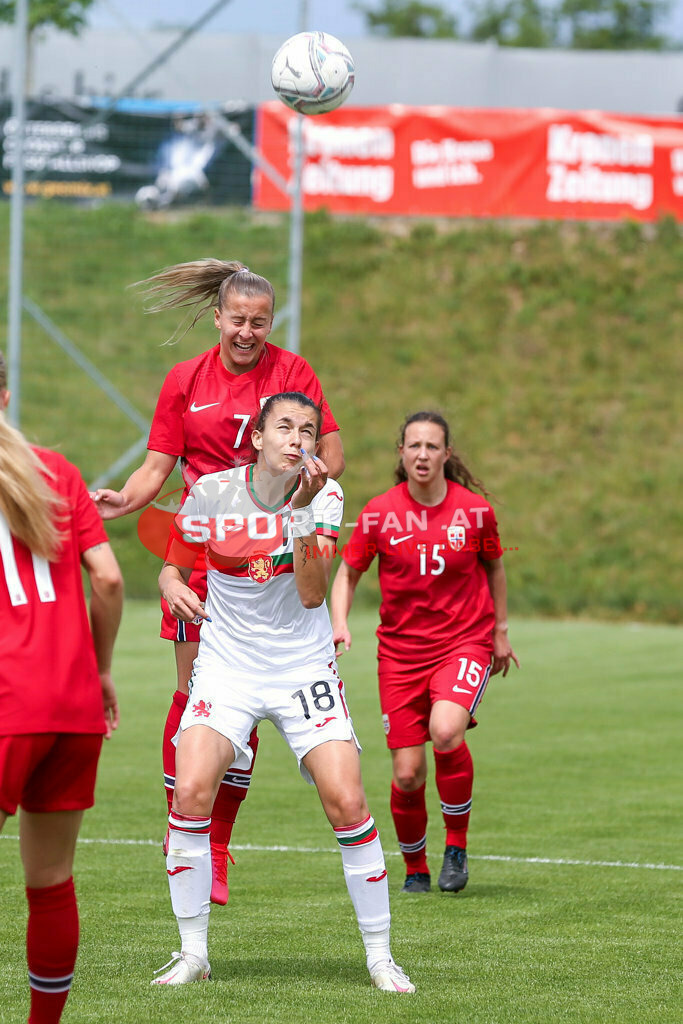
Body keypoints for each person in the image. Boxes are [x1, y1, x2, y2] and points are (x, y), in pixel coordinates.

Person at [92, 259, 344, 905]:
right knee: (195, 698)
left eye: (259, 322)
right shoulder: (186, 380)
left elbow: (332, 453)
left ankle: (218, 845)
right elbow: (157, 467)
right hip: (203, 548)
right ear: (217, 318)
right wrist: (123, 500)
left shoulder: (293, 374)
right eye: (237, 320)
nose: (247, 332)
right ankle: (186, 828)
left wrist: (307, 483)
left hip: (269, 555)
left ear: (269, 323)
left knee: (245, 699)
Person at [150, 391, 414, 994]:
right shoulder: (211, 491)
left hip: (302, 665)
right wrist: (172, 587)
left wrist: (299, 512)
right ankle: (192, 953)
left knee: (347, 801)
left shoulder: (326, 495)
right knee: (190, 791)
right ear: (259, 437)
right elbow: (173, 564)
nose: (298, 438)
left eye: (308, 430)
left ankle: (380, 957)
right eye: (285, 427)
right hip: (228, 664)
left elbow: (313, 594)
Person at [331, 411, 519, 895]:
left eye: (432, 446)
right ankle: (415, 867)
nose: (422, 454)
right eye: (413, 445)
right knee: (408, 774)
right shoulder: (379, 513)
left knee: (446, 730)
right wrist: (338, 622)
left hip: (464, 643)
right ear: (401, 453)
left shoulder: (474, 511)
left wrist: (499, 630)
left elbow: (495, 567)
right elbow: (348, 573)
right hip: (399, 655)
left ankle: (455, 846)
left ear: (446, 454)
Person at [0, 351, 124, 1024]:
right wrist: (99, 670)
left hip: (7, 703)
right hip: (72, 705)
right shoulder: (58, 471)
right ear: (6, 395)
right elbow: (106, 579)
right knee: (50, 884)